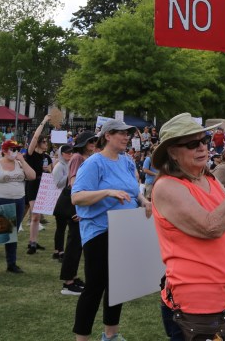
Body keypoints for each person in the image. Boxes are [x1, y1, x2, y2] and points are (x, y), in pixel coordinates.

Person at [151, 113, 225, 341]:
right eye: (192, 144)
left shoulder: (209, 180)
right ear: (172, 152)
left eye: (204, 140)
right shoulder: (167, 186)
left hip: (220, 297)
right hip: (194, 300)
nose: (202, 147)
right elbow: (211, 227)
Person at [71, 119, 151, 341]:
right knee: (94, 287)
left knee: (118, 285)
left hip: (125, 229)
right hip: (99, 230)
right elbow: (76, 196)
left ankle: (111, 335)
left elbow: (134, 190)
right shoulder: (94, 163)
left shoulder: (126, 161)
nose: (126, 137)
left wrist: (144, 200)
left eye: (128, 134)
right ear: (107, 136)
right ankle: (82, 338)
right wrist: (107, 192)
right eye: (121, 134)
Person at [0, 139, 36, 277]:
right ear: (4, 151)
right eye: (12, 149)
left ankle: (11, 264)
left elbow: (32, 176)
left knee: (12, 234)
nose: (15, 152)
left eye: (17, 149)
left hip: (18, 201)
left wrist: (23, 160)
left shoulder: (20, 164)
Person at [60, 131, 97, 296]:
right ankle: (68, 282)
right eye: (90, 141)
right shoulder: (77, 158)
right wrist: (79, 209)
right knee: (73, 244)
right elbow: (74, 183)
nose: (93, 144)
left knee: (77, 244)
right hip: (76, 206)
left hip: (80, 204)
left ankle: (73, 277)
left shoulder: (85, 158)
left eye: (95, 141)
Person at [26, 115, 52, 254]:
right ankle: (32, 243)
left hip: (43, 183)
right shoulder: (30, 153)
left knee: (38, 217)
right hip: (33, 184)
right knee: (35, 215)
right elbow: (35, 137)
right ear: (38, 143)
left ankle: (33, 241)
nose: (46, 143)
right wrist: (44, 121)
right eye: (44, 141)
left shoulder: (45, 156)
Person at [52, 144, 74, 261]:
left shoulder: (70, 164)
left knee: (65, 226)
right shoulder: (59, 166)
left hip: (68, 198)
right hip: (61, 199)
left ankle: (58, 250)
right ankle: (59, 250)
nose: (70, 154)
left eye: (71, 152)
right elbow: (57, 183)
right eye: (67, 152)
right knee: (61, 227)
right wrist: (69, 176)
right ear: (62, 154)